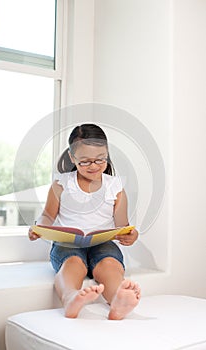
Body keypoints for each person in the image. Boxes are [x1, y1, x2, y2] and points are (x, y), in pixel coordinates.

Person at [29, 123, 141, 319]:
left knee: (110, 265)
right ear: (73, 158)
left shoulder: (115, 187)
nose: (94, 166)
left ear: (107, 154)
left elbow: (122, 224)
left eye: (100, 160)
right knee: (73, 264)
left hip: (102, 243)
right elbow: (48, 215)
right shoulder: (61, 184)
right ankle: (71, 297)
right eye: (85, 161)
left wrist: (130, 234)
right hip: (67, 244)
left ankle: (117, 301)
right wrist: (40, 226)